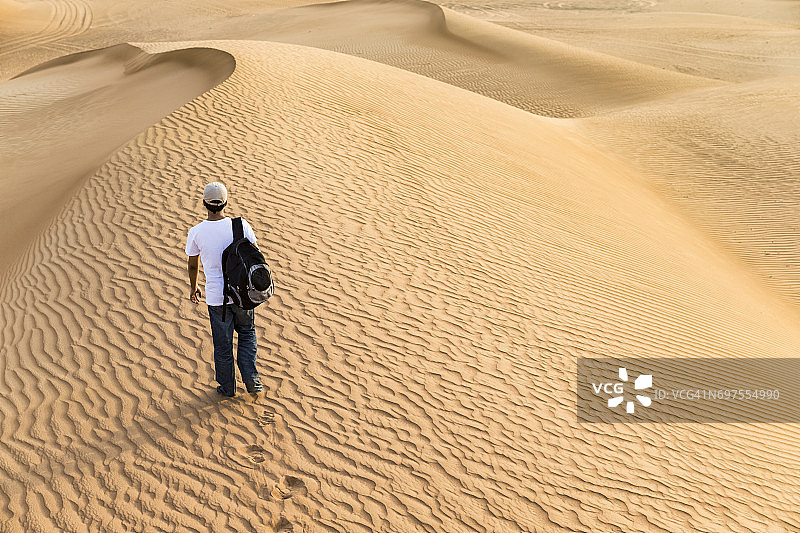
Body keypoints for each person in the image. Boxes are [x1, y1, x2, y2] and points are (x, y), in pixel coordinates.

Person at [185, 182, 264, 396]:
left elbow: (193, 264)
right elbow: (255, 256)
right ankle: (252, 381)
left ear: (204, 203)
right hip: (242, 296)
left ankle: (228, 388)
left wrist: (194, 287)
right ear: (226, 203)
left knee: (223, 344)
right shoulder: (241, 226)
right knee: (247, 333)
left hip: (216, 297)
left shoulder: (196, 232)